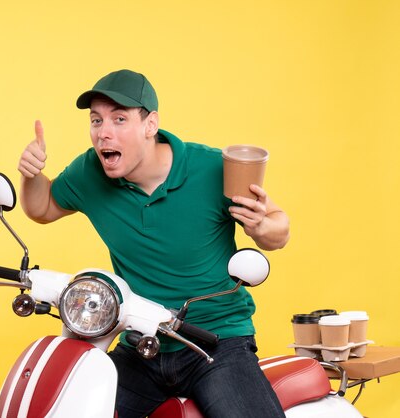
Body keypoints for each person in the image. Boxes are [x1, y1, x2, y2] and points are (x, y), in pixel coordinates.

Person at [17, 69, 290, 418]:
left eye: (119, 119)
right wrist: (31, 175)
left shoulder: (210, 168)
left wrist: (261, 225)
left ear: (151, 124)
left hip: (215, 342)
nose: (104, 133)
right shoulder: (90, 172)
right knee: (71, 405)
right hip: (142, 343)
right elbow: (42, 207)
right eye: (96, 120)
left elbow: (279, 231)